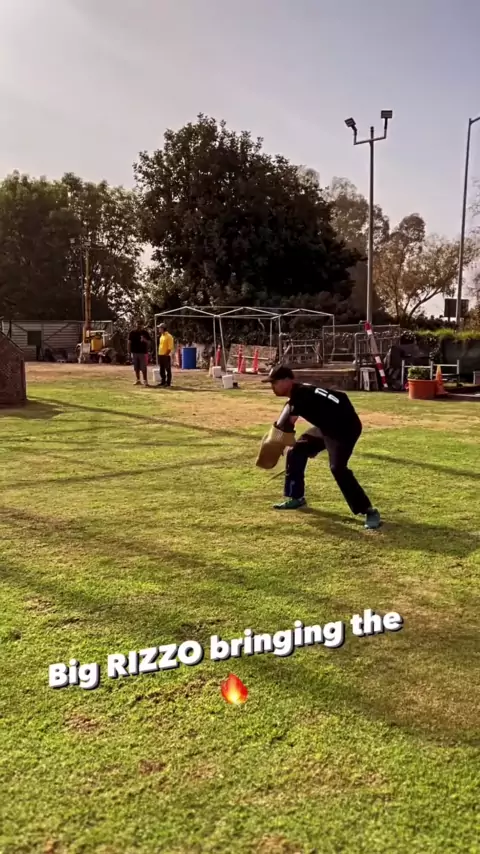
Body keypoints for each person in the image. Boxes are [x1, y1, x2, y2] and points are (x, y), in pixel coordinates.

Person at [262, 365, 381, 529]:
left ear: (288, 381)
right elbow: (341, 397)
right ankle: (296, 497)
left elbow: (287, 425)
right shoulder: (301, 392)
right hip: (326, 427)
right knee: (297, 451)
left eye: (274, 382)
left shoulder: (300, 395)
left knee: (338, 468)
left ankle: (368, 511)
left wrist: (276, 444)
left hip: (345, 429)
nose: (272, 386)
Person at [128, 319, 151, 386]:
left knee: (143, 367)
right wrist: (129, 352)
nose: (138, 326)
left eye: (140, 325)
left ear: (142, 325)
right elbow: (129, 343)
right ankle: (138, 380)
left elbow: (149, 342)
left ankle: (145, 381)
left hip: (143, 353)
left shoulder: (145, 333)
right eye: (137, 324)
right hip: (134, 352)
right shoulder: (132, 333)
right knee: (136, 367)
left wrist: (144, 340)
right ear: (135, 325)